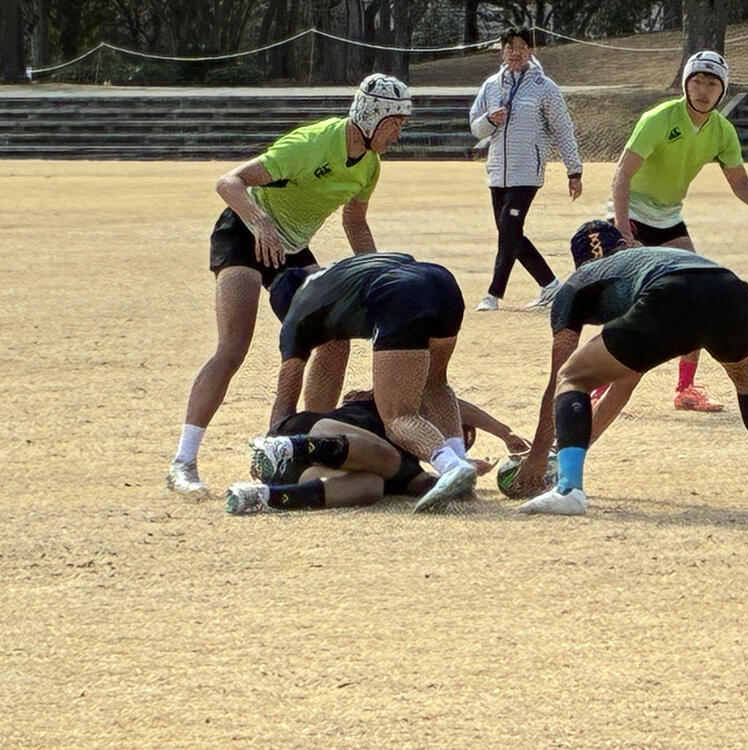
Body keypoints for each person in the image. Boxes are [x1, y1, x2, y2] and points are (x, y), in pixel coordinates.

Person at [165, 73, 412, 499]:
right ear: (372, 116)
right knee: (233, 346)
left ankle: (305, 446)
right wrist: (260, 222)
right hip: (244, 233)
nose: (399, 134)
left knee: (333, 338)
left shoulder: (369, 165)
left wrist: (375, 270)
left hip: (291, 247)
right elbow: (229, 182)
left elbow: (354, 221)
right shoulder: (311, 143)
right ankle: (183, 462)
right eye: (395, 123)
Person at [512, 220, 748, 516]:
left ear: (580, 263)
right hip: (730, 290)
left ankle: (568, 489)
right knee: (745, 374)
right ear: (626, 245)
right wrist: (575, 445)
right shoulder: (644, 259)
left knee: (572, 376)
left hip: (668, 294)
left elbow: (560, 377)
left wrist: (539, 458)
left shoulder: (579, 284)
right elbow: (626, 378)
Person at [610, 50, 748, 412]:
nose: (704, 90)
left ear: (722, 90)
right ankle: (600, 385)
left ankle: (686, 389)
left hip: (668, 218)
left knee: (697, 297)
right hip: (633, 216)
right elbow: (622, 174)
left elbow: (740, 183)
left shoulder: (722, 131)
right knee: (627, 306)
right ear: (685, 84)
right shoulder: (658, 119)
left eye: (712, 84)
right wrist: (622, 228)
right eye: (697, 81)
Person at [266, 252, 479, 513]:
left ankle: (452, 467)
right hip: (441, 280)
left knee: (399, 416)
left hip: (399, 294)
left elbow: (285, 400)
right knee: (435, 385)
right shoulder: (333, 277)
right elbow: (330, 361)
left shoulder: (296, 317)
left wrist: (270, 448)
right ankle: (460, 459)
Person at [224, 390, 531, 514]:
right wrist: (503, 432)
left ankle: (266, 497)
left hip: (301, 472)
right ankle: (284, 449)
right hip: (310, 431)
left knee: (372, 486)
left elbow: (424, 485)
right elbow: (443, 400)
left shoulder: (411, 468)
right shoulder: (395, 407)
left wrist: (461, 475)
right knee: (388, 458)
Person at [469, 26, 584, 313]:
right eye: (509, 47)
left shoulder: (545, 87)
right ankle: (549, 286)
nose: (515, 53)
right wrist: (490, 120)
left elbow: (562, 129)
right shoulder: (491, 85)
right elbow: (475, 127)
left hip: (527, 172)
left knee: (509, 227)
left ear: (531, 50)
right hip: (498, 172)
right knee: (509, 232)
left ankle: (494, 294)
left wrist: (574, 171)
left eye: (521, 47)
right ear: (502, 51)